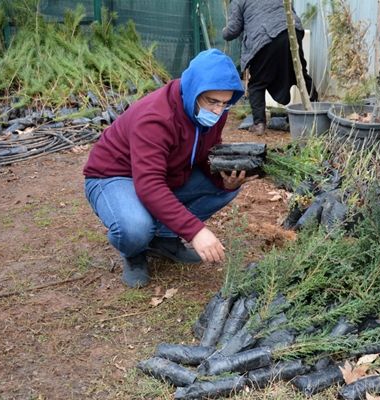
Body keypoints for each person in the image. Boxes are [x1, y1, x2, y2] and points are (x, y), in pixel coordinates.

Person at [83, 49, 256, 288]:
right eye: (213, 102)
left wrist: (222, 181)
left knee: (227, 187)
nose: (218, 111)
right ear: (193, 89)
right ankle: (134, 250)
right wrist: (195, 231)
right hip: (114, 176)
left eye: (226, 104)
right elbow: (149, 185)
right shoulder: (155, 118)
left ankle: (163, 239)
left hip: (163, 174)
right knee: (135, 227)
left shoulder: (213, 112)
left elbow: (206, 151)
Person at [223, 0, 318, 136]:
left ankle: (259, 124)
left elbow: (232, 30)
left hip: (265, 37)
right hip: (292, 32)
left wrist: (224, 32)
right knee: (300, 75)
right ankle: (315, 110)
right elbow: (290, 11)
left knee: (257, 84)